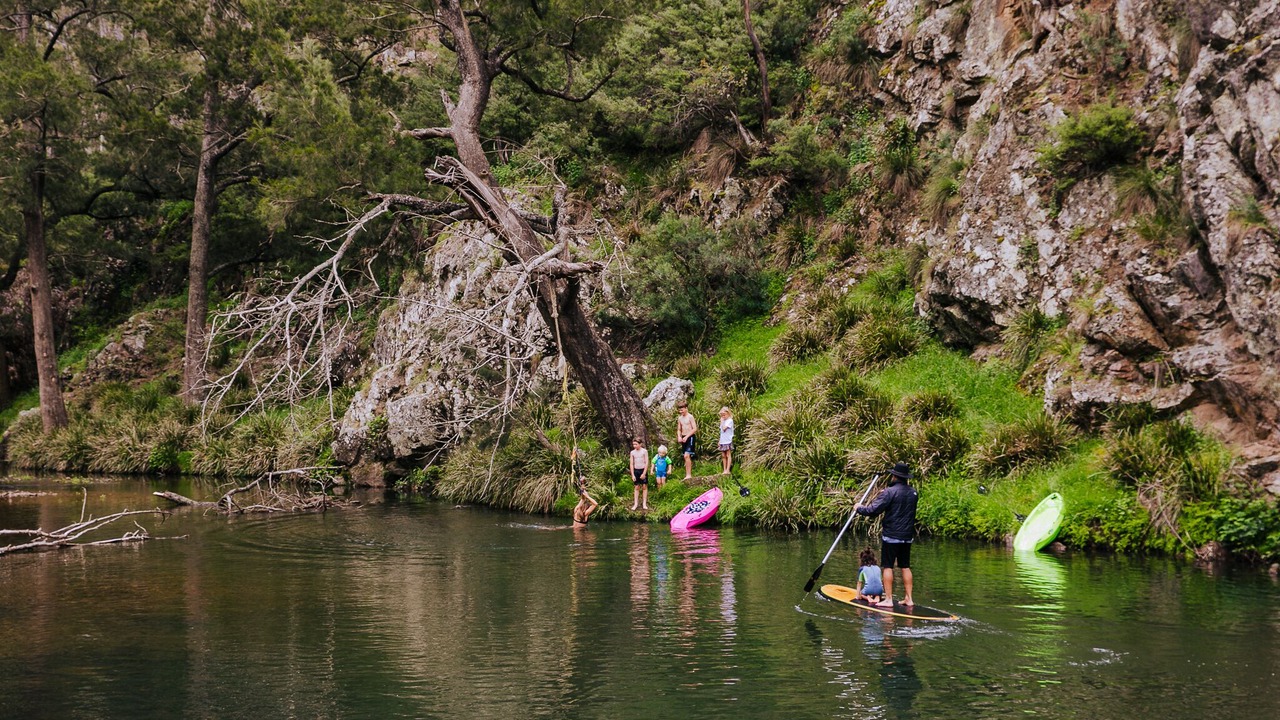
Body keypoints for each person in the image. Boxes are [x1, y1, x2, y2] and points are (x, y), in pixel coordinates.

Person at [855, 462, 918, 607]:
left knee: (888, 566)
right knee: (905, 566)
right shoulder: (913, 493)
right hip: (907, 537)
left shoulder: (889, 492)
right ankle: (909, 598)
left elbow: (872, 510)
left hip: (891, 535)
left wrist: (859, 508)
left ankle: (888, 600)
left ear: (895, 476)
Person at [676, 402, 698, 480]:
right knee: (685, 457)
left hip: (690, 436)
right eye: (679, 410)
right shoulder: (680, 418)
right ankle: (687, 474)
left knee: (687, 455)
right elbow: (679, 429)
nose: (681, 412)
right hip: (683, 436)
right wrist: (679, 436)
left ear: (686, 408)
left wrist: (687, 436)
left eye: (682, 410)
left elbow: (694, 429)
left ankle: (689, 475)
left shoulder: (690, 417)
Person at [629, 437, 650, 511]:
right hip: (636, 470)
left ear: (640, 444)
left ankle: (644, 503)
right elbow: (631, 463)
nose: (635, 446)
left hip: (643, 470)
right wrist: (632, 475)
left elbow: (647, 462)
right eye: (633, 444)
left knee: (644, 486)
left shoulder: (644, 451)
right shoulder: (632, 452)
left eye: (636, 444)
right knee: (637, 487)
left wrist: (644, 473)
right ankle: (636, 503)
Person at [717, 406, 734, 475]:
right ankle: (724, 469)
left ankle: (728, 469)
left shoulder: (729, 421)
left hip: (728, 440)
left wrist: (722, 422)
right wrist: (719, 441)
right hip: (723, 440)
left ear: (728, 414)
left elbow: (724, 428)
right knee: (723, 455)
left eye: (724, 415)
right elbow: (721, 432)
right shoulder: (723, 421)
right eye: (722, 415)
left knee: (728, 454)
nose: (723, 416)